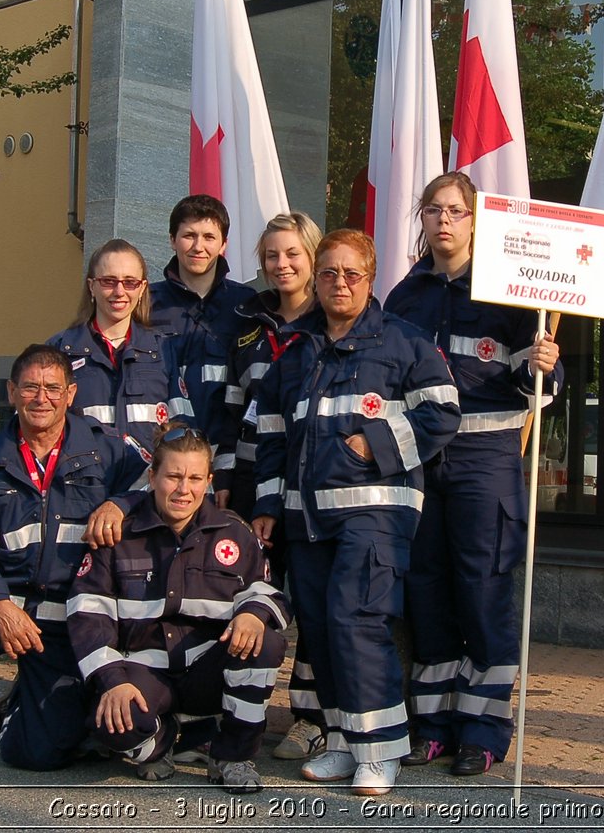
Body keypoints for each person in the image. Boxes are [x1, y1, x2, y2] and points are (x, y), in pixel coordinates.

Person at [250, 228, 460, 796]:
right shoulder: (294, 348)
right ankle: (345, 741)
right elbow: (266, 432)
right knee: (319, 630)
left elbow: (443, 414)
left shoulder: (405, 342)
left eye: (352, 274)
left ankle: (381, 749)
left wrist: (375, 443)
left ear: (371, 280)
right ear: (315, 279)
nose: (339, 283)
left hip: (376, 512)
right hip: (304, 517)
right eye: (328, 273)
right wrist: (268, 503)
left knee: (356, 621)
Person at [0, 344, 148, 797]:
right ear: (13, 392)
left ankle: (20, 707)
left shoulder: (109, 449)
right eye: (31, 387)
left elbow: (155, 484)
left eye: (53, 388)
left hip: (72, 616)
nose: (42, 397)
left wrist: (120, 502)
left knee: (38, 755)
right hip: (5, 602)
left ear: (71, 393)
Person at [382, 171, 562, 777]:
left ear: (476, 219)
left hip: (486, 458)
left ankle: (483, 730)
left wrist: (545, 365)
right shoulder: (405, 297)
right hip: (422, 460)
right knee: (426, 586)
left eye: (456, 211)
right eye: (433, 210)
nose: (444, 221)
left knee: (482, 587)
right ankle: (431, 724)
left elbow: (535, 386)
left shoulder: (511, 291)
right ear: (423, 220)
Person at [67, 421, 289, 795]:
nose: (184, 489)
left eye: (194, 478)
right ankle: (166, 739)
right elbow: (88, 614)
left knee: (264, 642)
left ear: (209, 481)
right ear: (152, 476)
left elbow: (269, 592)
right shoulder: (118, 533)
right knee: (111, 726)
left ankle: (233, 755)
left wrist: (253, 612)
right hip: (144, 672)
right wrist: (112, 680)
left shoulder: (234, 531)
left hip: (207, 671)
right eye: (173, 476)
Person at [220, 211, 325, 761]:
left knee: (307, 599)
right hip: (247, 480)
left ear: (311, 257)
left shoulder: (329, 321)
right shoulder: (247, 323)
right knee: (246, 592)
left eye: (292, 254)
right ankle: (237, 711)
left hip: (308, 484)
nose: (281, 265)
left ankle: (309, 717)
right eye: (271, 255)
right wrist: (221, 479)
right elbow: (230, 408)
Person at [147, 195, 257, 477]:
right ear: (172, 239)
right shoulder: (146, 304)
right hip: (165, 462)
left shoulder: (247, 306)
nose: (199, 246)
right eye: (189, 235)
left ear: (224, 244)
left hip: (230, 461)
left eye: (209, 237)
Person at [48, 239, 174, 464]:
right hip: (80, 490)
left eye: (130, 282)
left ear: (142, 288)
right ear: (91, 286)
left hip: (145, 492)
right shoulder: (59, 352)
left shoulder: (165, 351)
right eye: (108, 281)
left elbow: (180, 430)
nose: (119, 291)